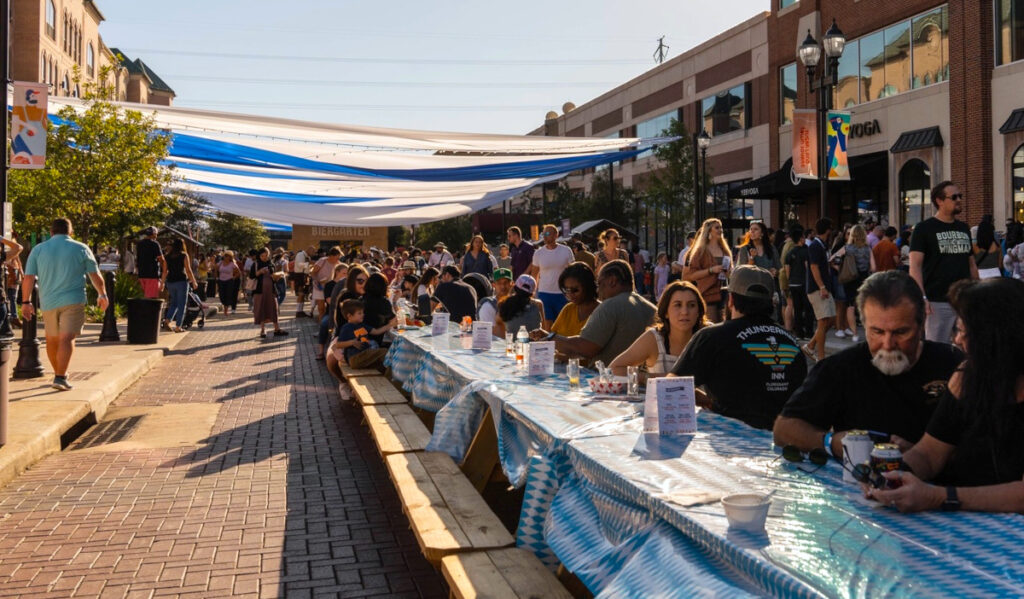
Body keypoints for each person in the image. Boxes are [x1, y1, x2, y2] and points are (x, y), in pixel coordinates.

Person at [865, 277, 1024, 513]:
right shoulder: (966, 378)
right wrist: (893, 475)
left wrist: (937, 497)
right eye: (957, 330)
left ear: (999, 339)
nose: (957, 340)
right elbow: (929, 453)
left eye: (965, 333)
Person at [773, 270, 963, 457]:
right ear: (863, 324)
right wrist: (831, 442)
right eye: (877, 332)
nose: (888, 345)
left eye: (900, 332)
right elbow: (784, 429)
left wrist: (922, 454)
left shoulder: (954, 366)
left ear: (921, 325)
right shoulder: (841, 368)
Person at [670, 265, 807, 430]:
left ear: (731, 300)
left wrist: (707, 402)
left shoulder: (712, 337)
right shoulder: (792, 342)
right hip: (779, 444)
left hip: (729, 443)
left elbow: (671, 389)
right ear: (771, 302)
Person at [20, 218, 108, 391]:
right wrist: (102, 294)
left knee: (52, 339)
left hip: (48, 301)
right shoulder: (81, 248)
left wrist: (26, 302)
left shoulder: (38, 249)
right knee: (67, 338)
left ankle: (59, 374)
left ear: (51, 232)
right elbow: (95, 275)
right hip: (73, 300)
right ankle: (60, 376)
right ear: (70, 232)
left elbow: (28, 277)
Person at [531, 260, 655, 365]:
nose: (599, 289)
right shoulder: (652, 308)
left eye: (600, 283)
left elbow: (585, 348)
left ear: (612, 281)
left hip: (610, 383)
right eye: (566, 290)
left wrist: (549, 338)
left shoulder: (610, 305)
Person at [910, 180, 978, 343]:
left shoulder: (963, 227)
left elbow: (971, 263)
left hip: (964, 300)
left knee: (966, 347)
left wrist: (978, 291)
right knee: (938, 349)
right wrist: (922, 298)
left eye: (960, 196)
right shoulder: (924, 229)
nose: (959, 200)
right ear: (939, 201)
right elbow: (915, 266)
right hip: (937, 301)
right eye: (954, 197)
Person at [610, 280, 706, 378]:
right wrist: (659, 378)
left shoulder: (708, 337)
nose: (685, 312)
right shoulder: (655, 339)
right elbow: (614, 369)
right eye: (678, 305)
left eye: (691, 305)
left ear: (698, 311)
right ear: (666, 312)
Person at [682, 218, 731, 323]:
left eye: (721, 227)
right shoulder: (700, 251)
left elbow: (730, 271)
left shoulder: (724, 249)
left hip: (724, 292)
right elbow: (689, 275)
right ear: (709, 231)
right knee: (711, 325)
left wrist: (728, 272)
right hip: (707, 293)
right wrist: (711, 270)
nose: (720, 230)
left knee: (724, 324)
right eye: (717, 228)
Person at [833, 224, 876, 342]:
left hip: (850, 279)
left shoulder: (847, 248)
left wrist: (841, 270)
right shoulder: (868, 249)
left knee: (850, 306)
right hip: (863, 279)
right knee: (864, 306)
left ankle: (855, 334)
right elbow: (873, 267)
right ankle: (868, 332)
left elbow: (833, 260)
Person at [803, 218, 836, 362]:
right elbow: (813, 267)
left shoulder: (821, 245)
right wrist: (822, 286)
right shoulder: (816, 246)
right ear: (828, 230)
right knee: (823, 321)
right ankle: (821, 356)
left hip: (823, 287)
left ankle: (810, 345)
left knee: (831, 319)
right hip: (818, 288)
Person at [530, 224, 575, 328]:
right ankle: (548, 344)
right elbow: (534, 274)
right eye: (543, 234)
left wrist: (572, 290)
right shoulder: (538, 253)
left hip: (562, 293)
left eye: (547, 233)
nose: (544, 236)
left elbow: (573, 272)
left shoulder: (566, 250)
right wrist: (532, 293)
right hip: (544, 293)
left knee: (563, 324)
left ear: (556, 235)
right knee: (547, 325)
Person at [328, 299, 389, 374]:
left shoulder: (362, 325)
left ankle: (388, 380)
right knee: (384, 352)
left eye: (363, 312)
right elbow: (338, 344)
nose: (363, 314)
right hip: (355, 358)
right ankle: (391, 379)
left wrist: (390, 325)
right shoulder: (347, 327)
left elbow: (376, 332)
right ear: (349, 316)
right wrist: (351, 342)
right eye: (359, 313)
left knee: (381, 363)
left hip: (363, 356)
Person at [546, 261, 599, 338]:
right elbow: (553, 335)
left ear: (588, 287)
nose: (570, 294)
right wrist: (544, 335)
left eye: (575, 290)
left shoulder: (601, 311)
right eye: (566, 290)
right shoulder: (568, 309)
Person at [163, 238, 199, 333]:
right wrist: (194, 281)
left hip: (170, 282)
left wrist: (162, 283)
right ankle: (178, 326)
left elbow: (165, 271)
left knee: (174, 303)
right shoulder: (184, 255)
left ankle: (167, 320)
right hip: (181, 281)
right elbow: (188, 270)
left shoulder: (167, 256)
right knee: (182, 304)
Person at [250, 247, 287, 338]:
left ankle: (276, 329)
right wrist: (259, 272)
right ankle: (263, 330)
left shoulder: (271, 263)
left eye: (266, 255)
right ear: (259, 255)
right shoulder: (255, 264)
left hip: (271, 290)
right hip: (259, 291)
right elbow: (251, 276)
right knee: (261, 309)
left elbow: (273, 276)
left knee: (274, 308)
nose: (265, 257)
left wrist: (278, 276)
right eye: (263, 256)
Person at [783, 227, 813, 339]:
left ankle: (799, 333)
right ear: (801, 239)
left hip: (793, 284)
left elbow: (787, 269)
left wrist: (790, 279)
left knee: (797, 309)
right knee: (808, 309)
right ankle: (809, 333)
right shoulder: (806, 251)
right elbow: (807, 267)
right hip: (804, 284)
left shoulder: (790, 253)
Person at [496, 274, 543, 339]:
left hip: (512, 346)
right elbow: (544, 330)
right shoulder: (538, 304)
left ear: (515, 287)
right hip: (535, 347)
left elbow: (498, 321)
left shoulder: (504, 304)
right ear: (532, 292)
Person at [361, 272, 396, 345]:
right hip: (374, 341)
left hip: (360, 338)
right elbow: (394, 322)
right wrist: (394, 301)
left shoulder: (361, 299)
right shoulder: (383, 302)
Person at [310, 246, 342, 320]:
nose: (338, 259)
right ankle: (321, 326)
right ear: (331, 256)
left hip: (330, 288)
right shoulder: (322, 261)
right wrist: (319, 280)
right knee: (321, 309)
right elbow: (313, 273)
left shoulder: (338, 264)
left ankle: (326, 325)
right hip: (319, 287)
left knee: (329, 308)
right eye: (337, 257)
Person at [135, 226, 166, 299]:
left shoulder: (139, 244)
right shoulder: (155, 244)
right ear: (154, 234)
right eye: (156, 234)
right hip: (152, 275)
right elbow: (161, 259)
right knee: (151, 298)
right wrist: (164, 269)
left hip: (141, 274)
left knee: (142, 297)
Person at [292, 245, 314, 317]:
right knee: (300, 293)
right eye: (313, 251)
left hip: (305, 276)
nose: (313, 253)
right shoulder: (300, 254)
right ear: (309, 250)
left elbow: (307, 268)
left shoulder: (307, 257)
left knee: (303, 294)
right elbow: (299, 265)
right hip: (299, 275)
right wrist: (310, 263)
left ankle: (301, 311)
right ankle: (298, 311)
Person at [217, 251, 241, 315]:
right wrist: (216, 277)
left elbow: (238, 272)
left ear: (230, 257)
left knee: (228, 295)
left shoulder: (232, 264)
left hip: (229, 281)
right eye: (225, 256)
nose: (226, 258)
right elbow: (216, 268)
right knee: (221, 295)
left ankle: (226, 309)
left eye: (228, 256)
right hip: (221, 280)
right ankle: (224, 305)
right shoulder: (221, 263)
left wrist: (234, 277)